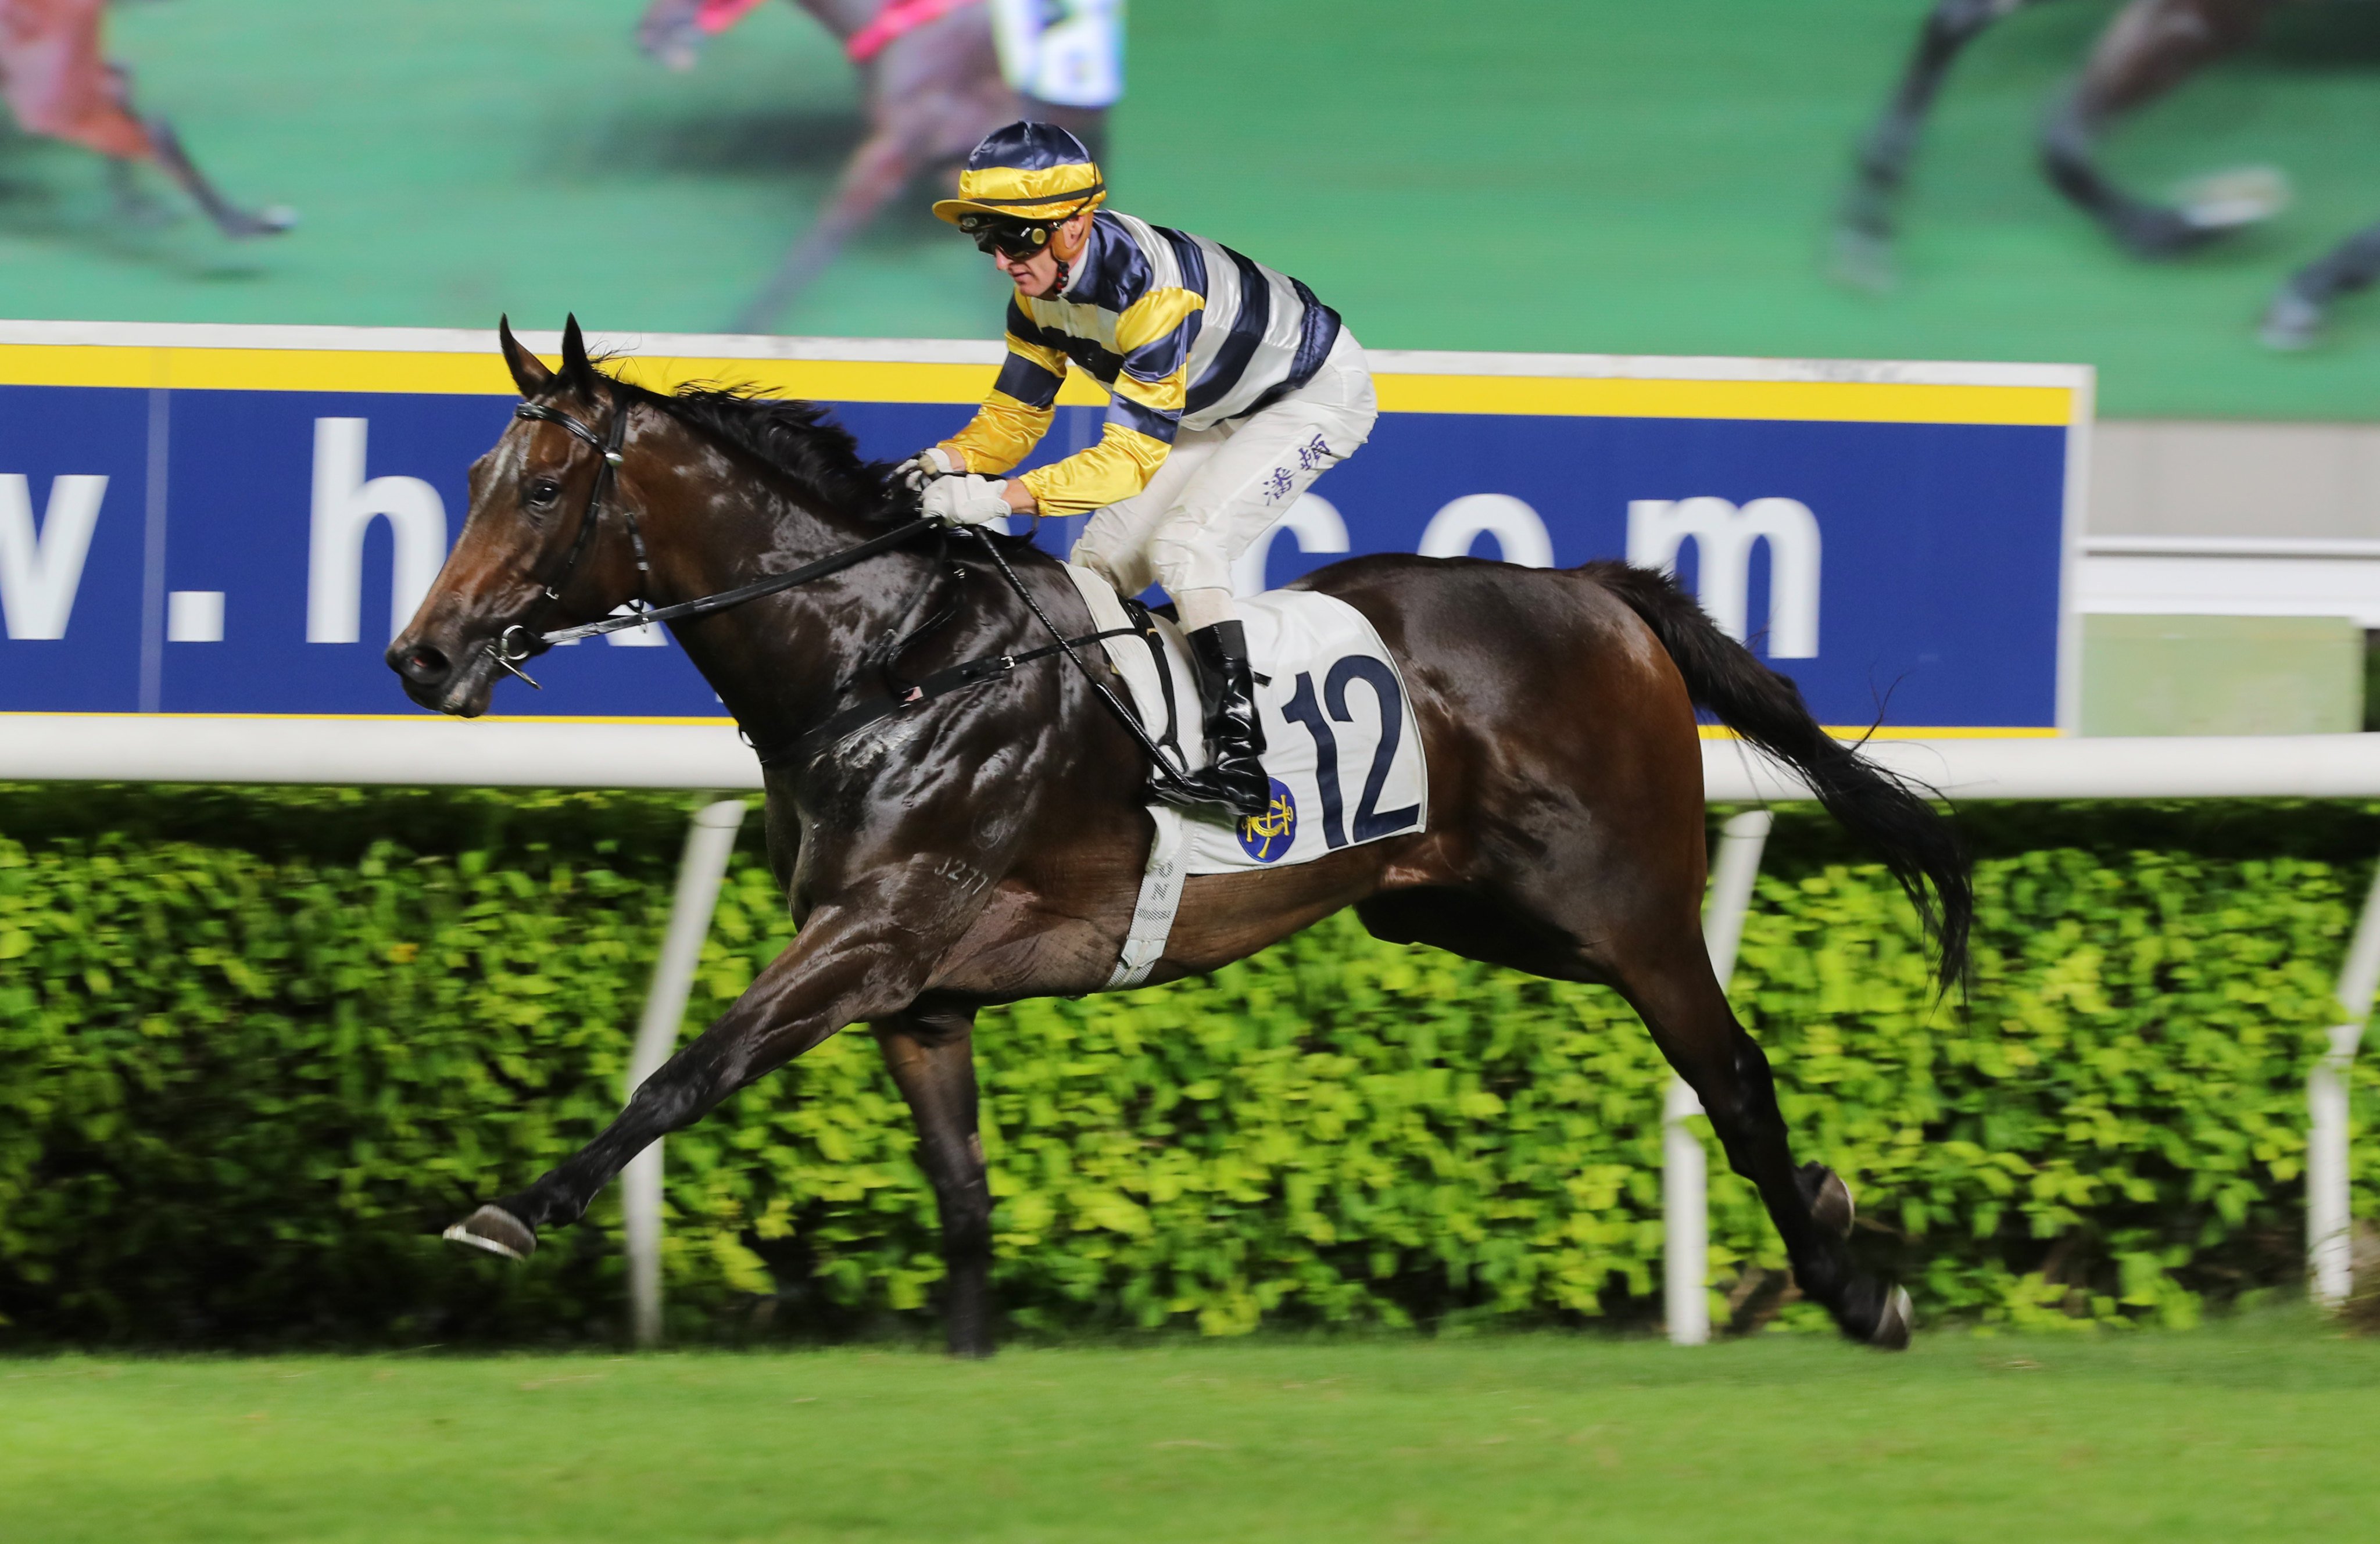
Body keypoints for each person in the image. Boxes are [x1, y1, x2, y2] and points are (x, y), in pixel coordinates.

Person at [900, 121, 1376, 821]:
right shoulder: (1037, 290)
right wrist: (937, 462)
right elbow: (1014, 420)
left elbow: (1128, 461)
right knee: (1093, 576)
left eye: (1016, 238)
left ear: (1075, 226)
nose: (1002, 260)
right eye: (987, 239)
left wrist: (1005, 498)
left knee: (1186, 548)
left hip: (1307, 396)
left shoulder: (1152, 294)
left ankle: (1243, 763)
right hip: (1209, 404)